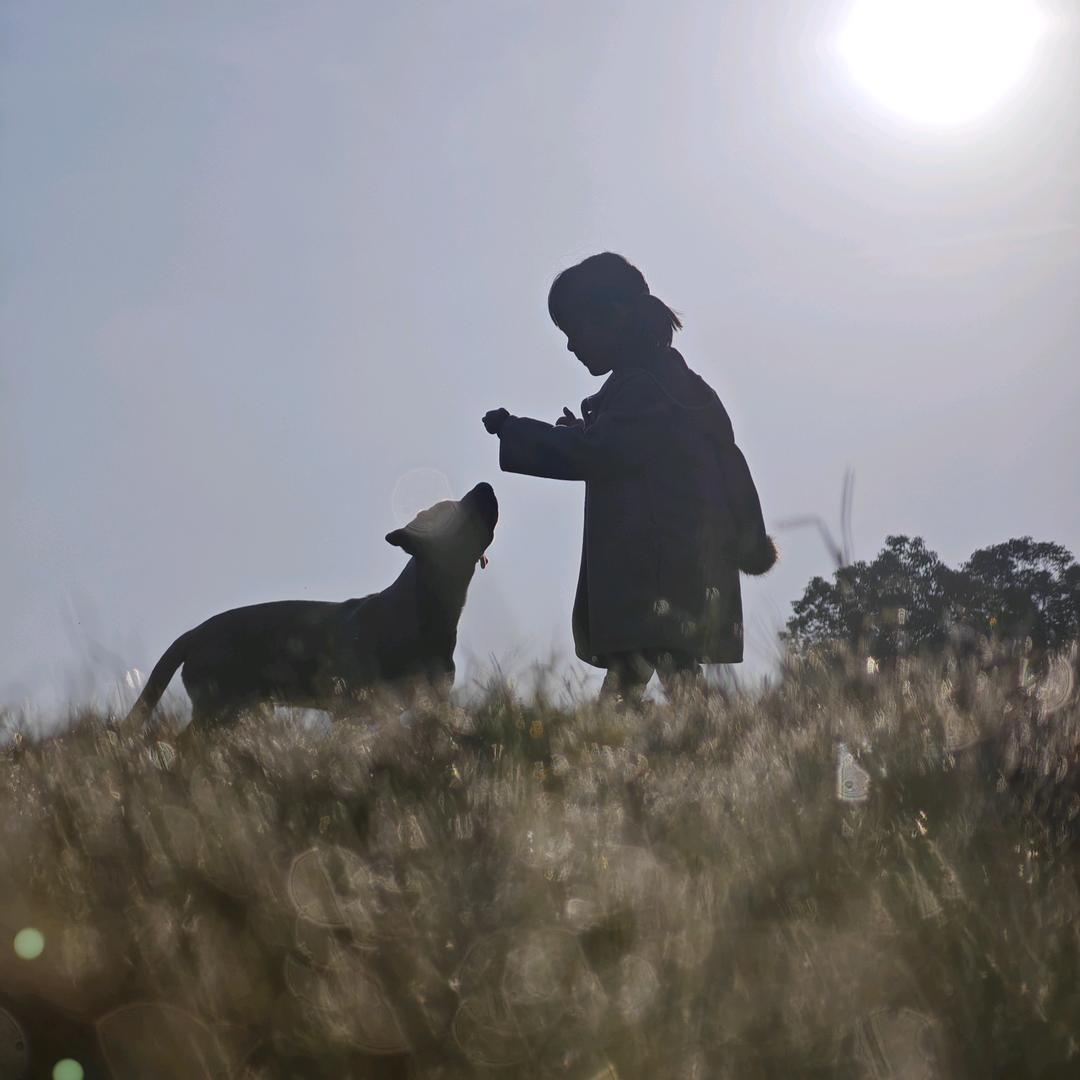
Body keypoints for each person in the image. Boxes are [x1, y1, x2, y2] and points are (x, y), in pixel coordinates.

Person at [482, 252, 776, 705]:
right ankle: (699, 744)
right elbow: (629, 450)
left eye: (574, 330)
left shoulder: (645, 388)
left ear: (612, 317)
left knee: (637, 672)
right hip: (675, 566)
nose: (571, 346)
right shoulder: (671, 385)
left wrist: (516, 431)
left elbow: (600, 454)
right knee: (668, 670)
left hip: (653, 569)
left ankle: (629, 750)